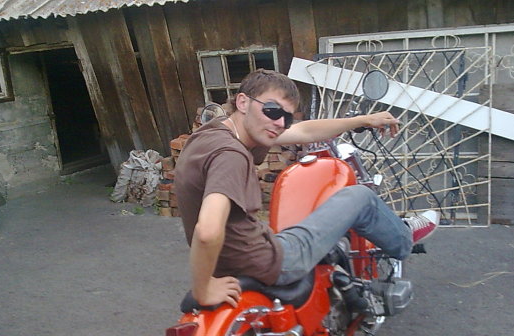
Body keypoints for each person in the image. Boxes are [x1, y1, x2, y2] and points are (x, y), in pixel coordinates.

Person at [174, 69, 439, 308]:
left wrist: (362, 120)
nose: (280, 123)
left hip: (226, 261)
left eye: (286, 118)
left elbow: (304, 131)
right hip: (267, 261)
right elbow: (207, 231)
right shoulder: (231, 155)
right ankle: (404, 237)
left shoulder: (212, 135)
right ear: (243, 102)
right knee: (360, 197)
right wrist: (202, 289)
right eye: (273, 110)